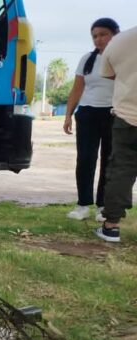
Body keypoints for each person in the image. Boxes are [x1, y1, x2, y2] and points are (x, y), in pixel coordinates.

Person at [63, 18, 120, 222]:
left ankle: (102, 206)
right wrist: (68, 115)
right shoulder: (87, 59)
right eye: (95, 36)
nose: (98, 39)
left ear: (115, 34)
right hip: (87, 113)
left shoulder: (124, 59)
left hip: (114, 114)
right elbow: (77, 89)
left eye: (103, 34)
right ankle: (82, 205)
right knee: (86, 159)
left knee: (109, 161)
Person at [96, 25, 137, 243]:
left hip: (128, 116)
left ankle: (111, 226)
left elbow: (110, 74)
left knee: (121, 169)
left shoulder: (119, 42)